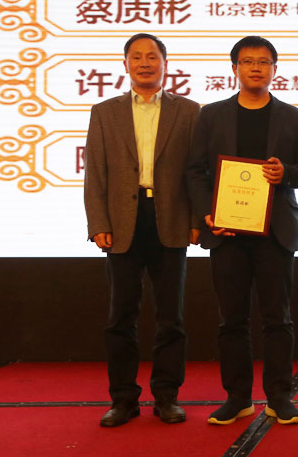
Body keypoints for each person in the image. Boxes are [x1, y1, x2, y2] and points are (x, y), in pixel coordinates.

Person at [186, 36, 298, 425]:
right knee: (232, 320)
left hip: (275, 232)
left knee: (278, 318)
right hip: (227, 232)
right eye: (247, 61)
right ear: (235, 69)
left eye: (263, 62)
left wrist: (285, 173)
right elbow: (195, 170)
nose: (256, 68)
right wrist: (207, 212)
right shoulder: (211, 115)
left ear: (275, 69)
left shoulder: (292, 117)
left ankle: (279, 397)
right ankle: (238, 397)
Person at [83, 33, 200, 427]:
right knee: (120, 317)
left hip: (171, 219)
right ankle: (123, 399)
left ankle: (167, 397)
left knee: (172, 318)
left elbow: (196, 172)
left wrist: (196, 220)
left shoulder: (189, 111)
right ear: (125, 64)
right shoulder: (105, 112)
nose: (145, 63)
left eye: (153, 56)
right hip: (121, 221)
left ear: (165, 63)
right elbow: (95, 171)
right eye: (137, 57)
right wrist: (98, 223)